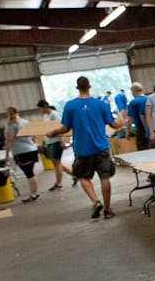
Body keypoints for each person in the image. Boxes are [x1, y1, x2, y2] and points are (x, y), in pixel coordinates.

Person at [47, 75, 124, 219]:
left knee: (82, 177)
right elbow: (113, 124)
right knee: (105, 178)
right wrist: (121, 123)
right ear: (89, 86)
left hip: (82, 149)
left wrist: (53, 132)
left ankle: (95, 202)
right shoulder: (101, 104)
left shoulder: (70, 105)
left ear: (77, 88)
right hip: (101, 147)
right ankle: (107, 210)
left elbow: (65, 128)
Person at [4, 107, 41, 202]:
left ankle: (34, 194)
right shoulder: (25, 122)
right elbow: (34, 136)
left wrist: (7, 153)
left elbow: (9, 140)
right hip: (32, 149)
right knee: (31, 172)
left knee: (29, 174)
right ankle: (34, 193)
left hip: (21, 151)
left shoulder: (11, 125)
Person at [37, 99, 71, 191]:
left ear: (44, 107)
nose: (40, 111)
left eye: (40, 109)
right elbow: (46, 129)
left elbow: (60, 128)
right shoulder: (45, 116)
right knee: (57, 163)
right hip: (49, 141)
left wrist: (62, 141)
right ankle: (75, 175)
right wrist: (43, 142)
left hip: (56, 141)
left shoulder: (54, 114)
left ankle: (58, 183)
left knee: (57, 163)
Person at [126, 82, 149, 151]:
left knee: (143, 150)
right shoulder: (149, 99)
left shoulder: (133, 102)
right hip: (153, 127)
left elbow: (130, 119)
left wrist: (128, 132)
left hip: (141, 129)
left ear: (133, 91)